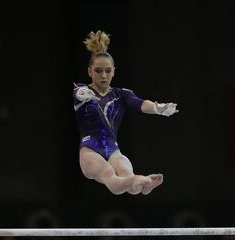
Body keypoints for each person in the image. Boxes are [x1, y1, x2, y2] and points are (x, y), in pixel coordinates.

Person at [73, 30, 178, 195]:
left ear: (114, 71)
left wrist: (159, 108)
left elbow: (140, 103)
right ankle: (139, 180)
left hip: (113, 150)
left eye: (108, 71)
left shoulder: (122, 94)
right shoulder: (80, 89)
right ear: (89, 72)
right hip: (89, 151)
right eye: (98, 71)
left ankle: (144, 185)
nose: (104, 75)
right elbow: (78, 93)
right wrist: (83, 94)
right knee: (109, 176)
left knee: (129, 177)